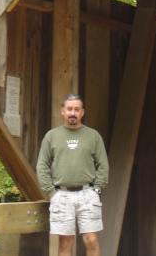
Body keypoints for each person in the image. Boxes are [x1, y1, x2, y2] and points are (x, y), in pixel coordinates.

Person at [36, 93, 109, 256]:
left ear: (82, 112)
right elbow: (42, 166)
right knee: (65, 242)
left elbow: (103, 165)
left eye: (76, 109)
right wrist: (51, 193)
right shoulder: (51, 136)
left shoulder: (93, 136)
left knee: (91, 239)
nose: (73, 113)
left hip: (88, 194)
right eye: (69, 109)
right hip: (61, 195)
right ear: (62, 111)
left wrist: (97, 189)